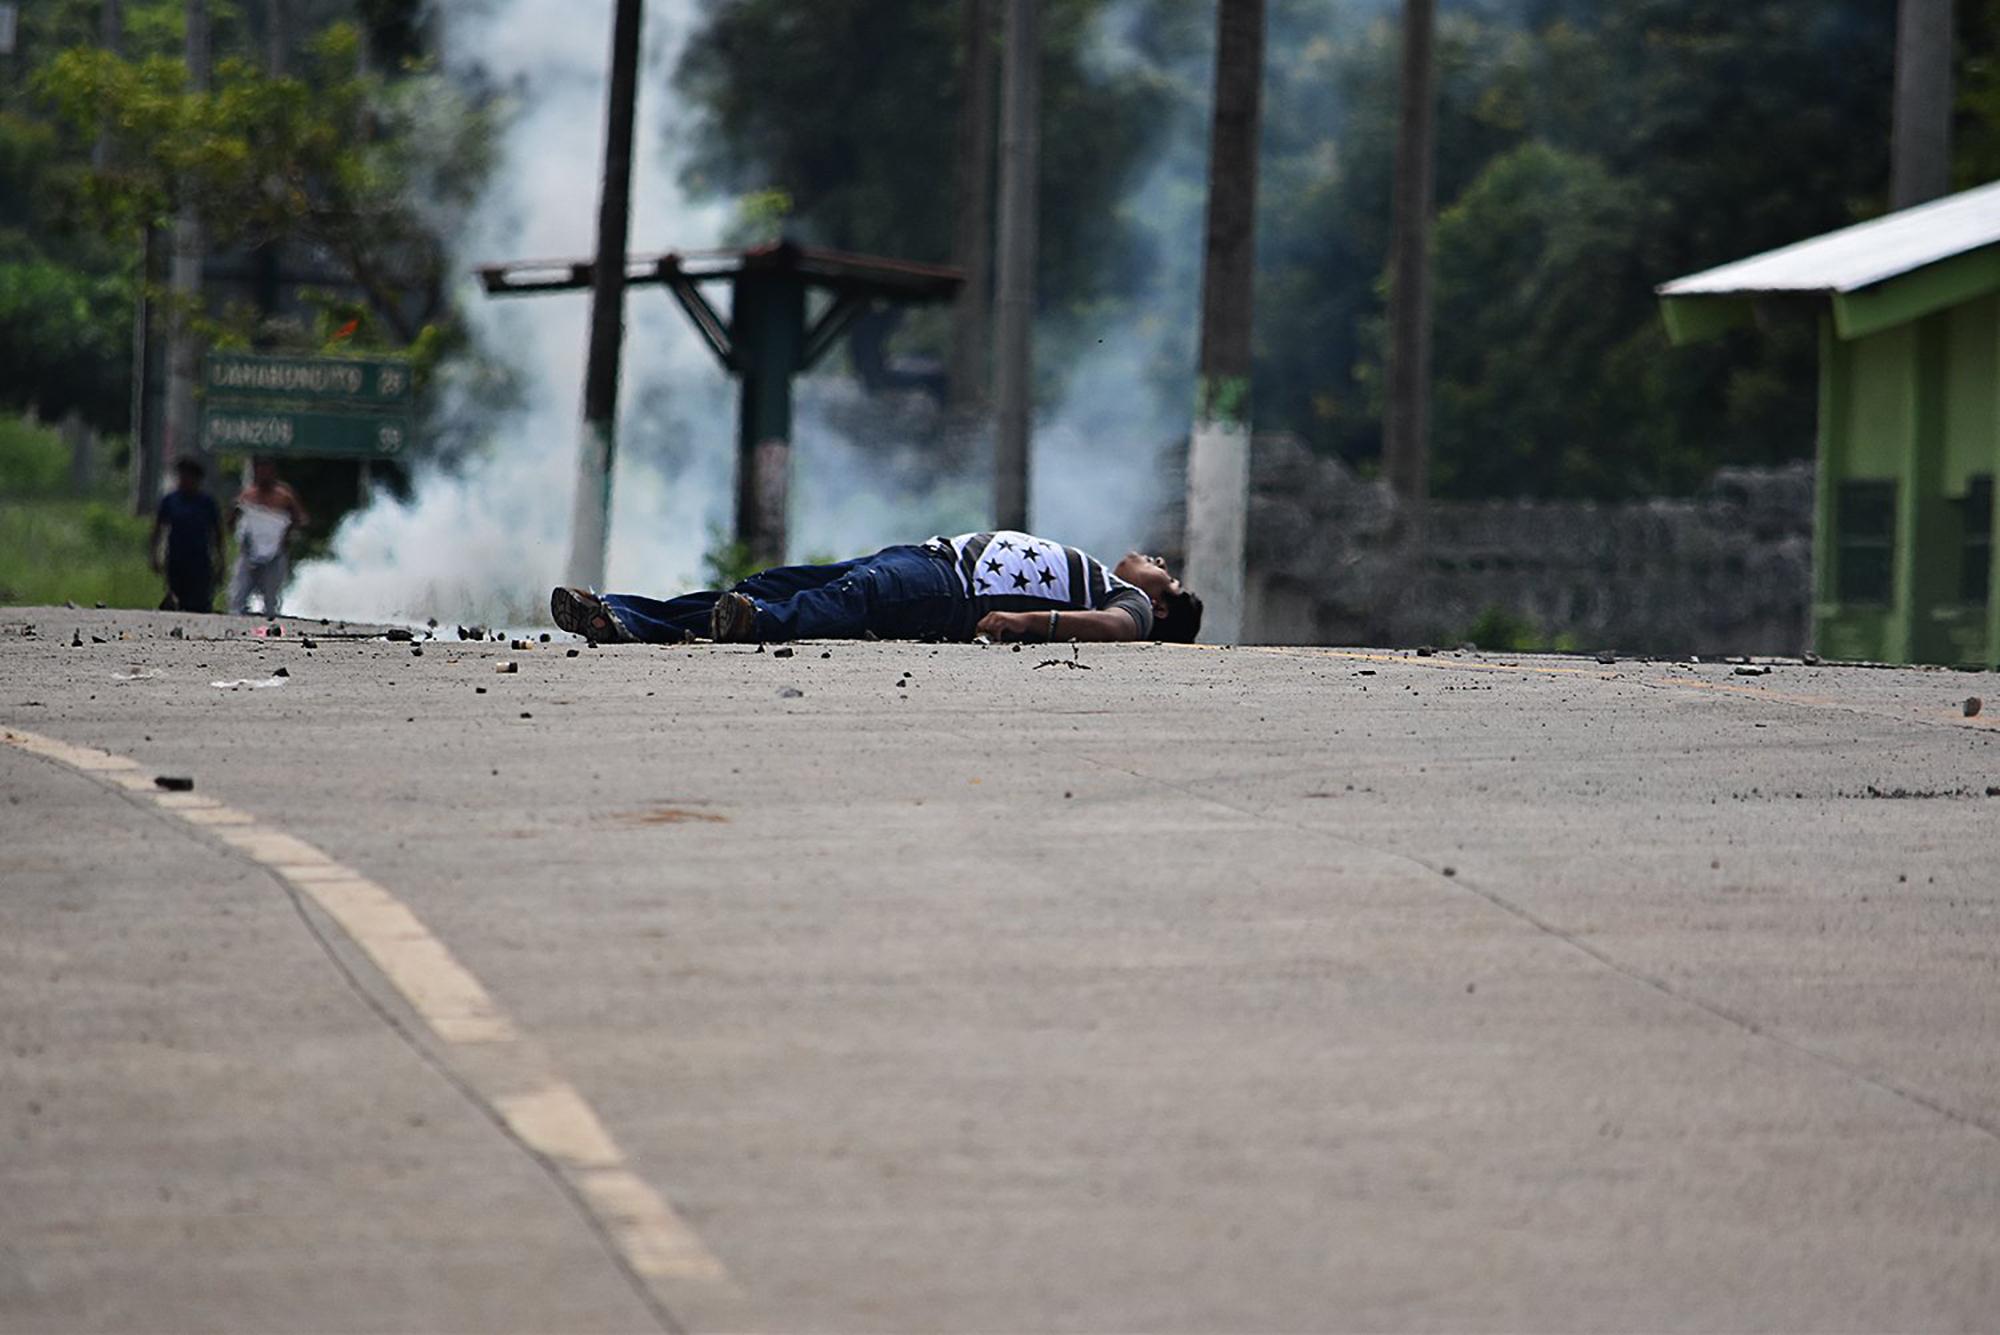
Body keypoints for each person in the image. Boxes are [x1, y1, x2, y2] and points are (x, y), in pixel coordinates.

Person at [551, 531, 1204, 645]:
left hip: (949, 586)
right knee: (767, 582)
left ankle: (759, 624)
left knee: (851, 598)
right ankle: (621, 615)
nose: (1155, 560)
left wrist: (1027, 622)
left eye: (1164, 571)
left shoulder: (1135, 604)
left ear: (1164, 601)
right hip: (925, 557)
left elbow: (1119, 630)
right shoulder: (1101, 575)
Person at [226, 457, 310, 617]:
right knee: (239, 593)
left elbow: (301, 518)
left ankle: (269, 629)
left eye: (267, 470)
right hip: (249, 552)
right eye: (260, 470)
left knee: (271, 598)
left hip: (275, 553)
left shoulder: (284, 496)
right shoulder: (247, 495)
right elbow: (232, 519)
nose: (263, 474)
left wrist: (286, 533)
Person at [149, 457, 224, 613]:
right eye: (181, 476)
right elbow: (158, 528)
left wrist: (221, 561)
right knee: (175, 600)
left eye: (188, 477)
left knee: (199, 604)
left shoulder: (207, 503)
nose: (184, 480)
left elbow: (217, 533)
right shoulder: (170, 501)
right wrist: (154, 555)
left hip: (200, 561)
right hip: (176, 559)